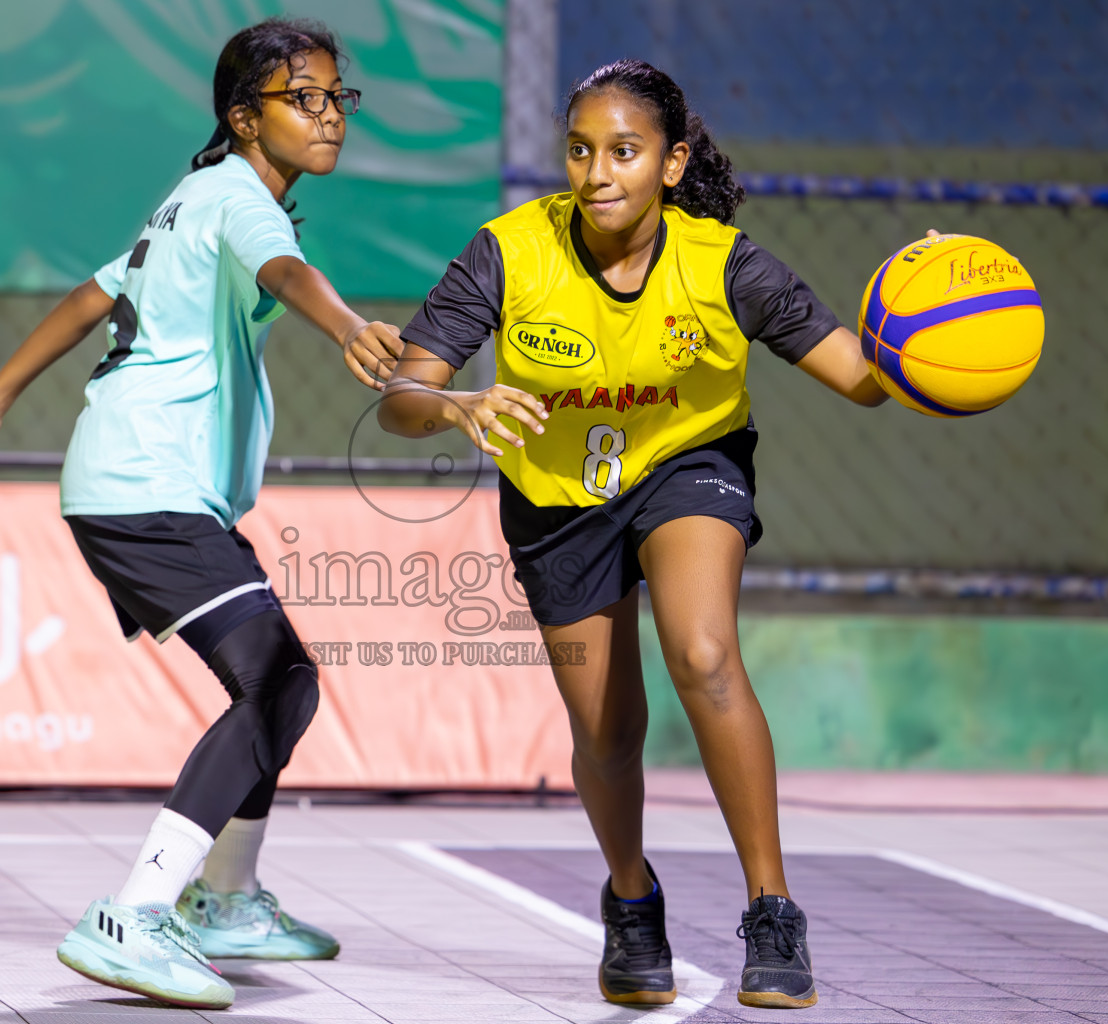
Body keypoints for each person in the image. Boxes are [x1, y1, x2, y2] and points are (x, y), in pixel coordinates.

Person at [0, 18, 401, 1010]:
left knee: (279, 680)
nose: (331, 115)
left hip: (145, 487)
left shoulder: (193, 198)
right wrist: (347, 324)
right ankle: (138, 914)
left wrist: (0, 392)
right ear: (243, 117)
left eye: (339, 97)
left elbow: (95, 293)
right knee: (278, 681)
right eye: (305, 98)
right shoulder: (239, 201)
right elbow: (284, 273)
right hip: (147, 488)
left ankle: (227, 900)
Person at [379, 59, 896, 1010]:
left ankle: (773, 910)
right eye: (580, 150)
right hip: (555, 499)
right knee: (607, 730)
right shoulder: (509, 250)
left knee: (702, 653)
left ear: (672, 162)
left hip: (687, 465)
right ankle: (631, 898)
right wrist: (455, 405)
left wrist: (929, 318)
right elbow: (401, 401)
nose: (598, 171)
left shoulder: (724, 264)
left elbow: (865, 378)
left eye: (624, 151)